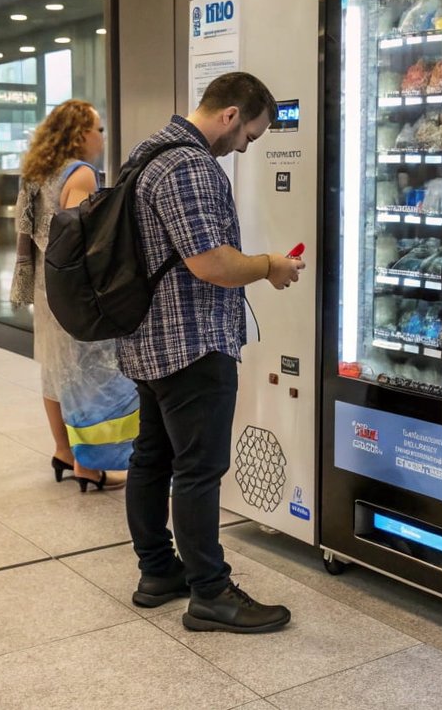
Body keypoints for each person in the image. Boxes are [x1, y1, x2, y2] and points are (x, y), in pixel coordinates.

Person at [117, 72, 303, 634]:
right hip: (191, 342)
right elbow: (211, 263)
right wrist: (270, 264)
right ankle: (211, 594)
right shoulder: (191, 166)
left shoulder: (148, 150)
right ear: (229, 115)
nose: (246, 146)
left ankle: (158, 573)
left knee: (152, 457)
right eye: (249, 133)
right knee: (199, 471)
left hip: (149, 337)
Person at [12, 100, 136, 492]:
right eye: (98, 129)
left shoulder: (37, 172)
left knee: (55, 371)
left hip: (46, 289)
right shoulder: (80, 175)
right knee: (92, 374)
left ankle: (64, 452)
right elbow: (83, 241)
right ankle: (90, 465)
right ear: (80, 134)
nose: (101, 137)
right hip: (73, 291)